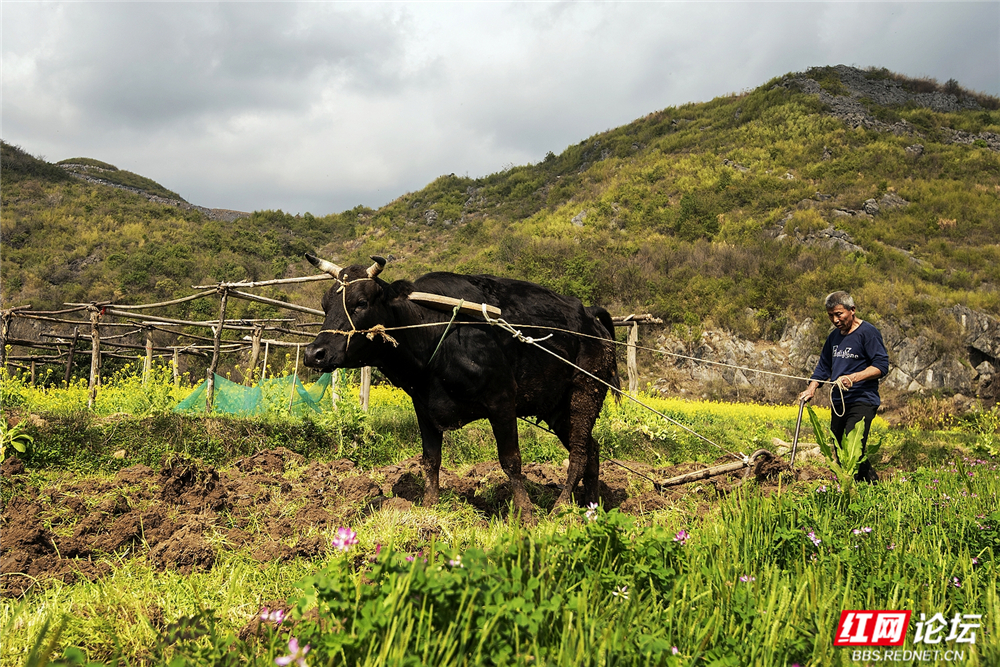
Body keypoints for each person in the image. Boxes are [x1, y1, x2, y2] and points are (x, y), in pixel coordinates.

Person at [798, 291, 889, 482]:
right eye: (831, 315)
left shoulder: (868, 333)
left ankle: (862, 489)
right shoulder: (833, 338)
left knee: (852, 447)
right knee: (840, 450)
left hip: (862, 399)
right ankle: (868, 486)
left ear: (852, 310)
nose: (835, 319)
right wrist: (812, 387)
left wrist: (854, 377)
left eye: (839, 314)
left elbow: (881, 366)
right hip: (840, 402)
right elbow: (823, 367)